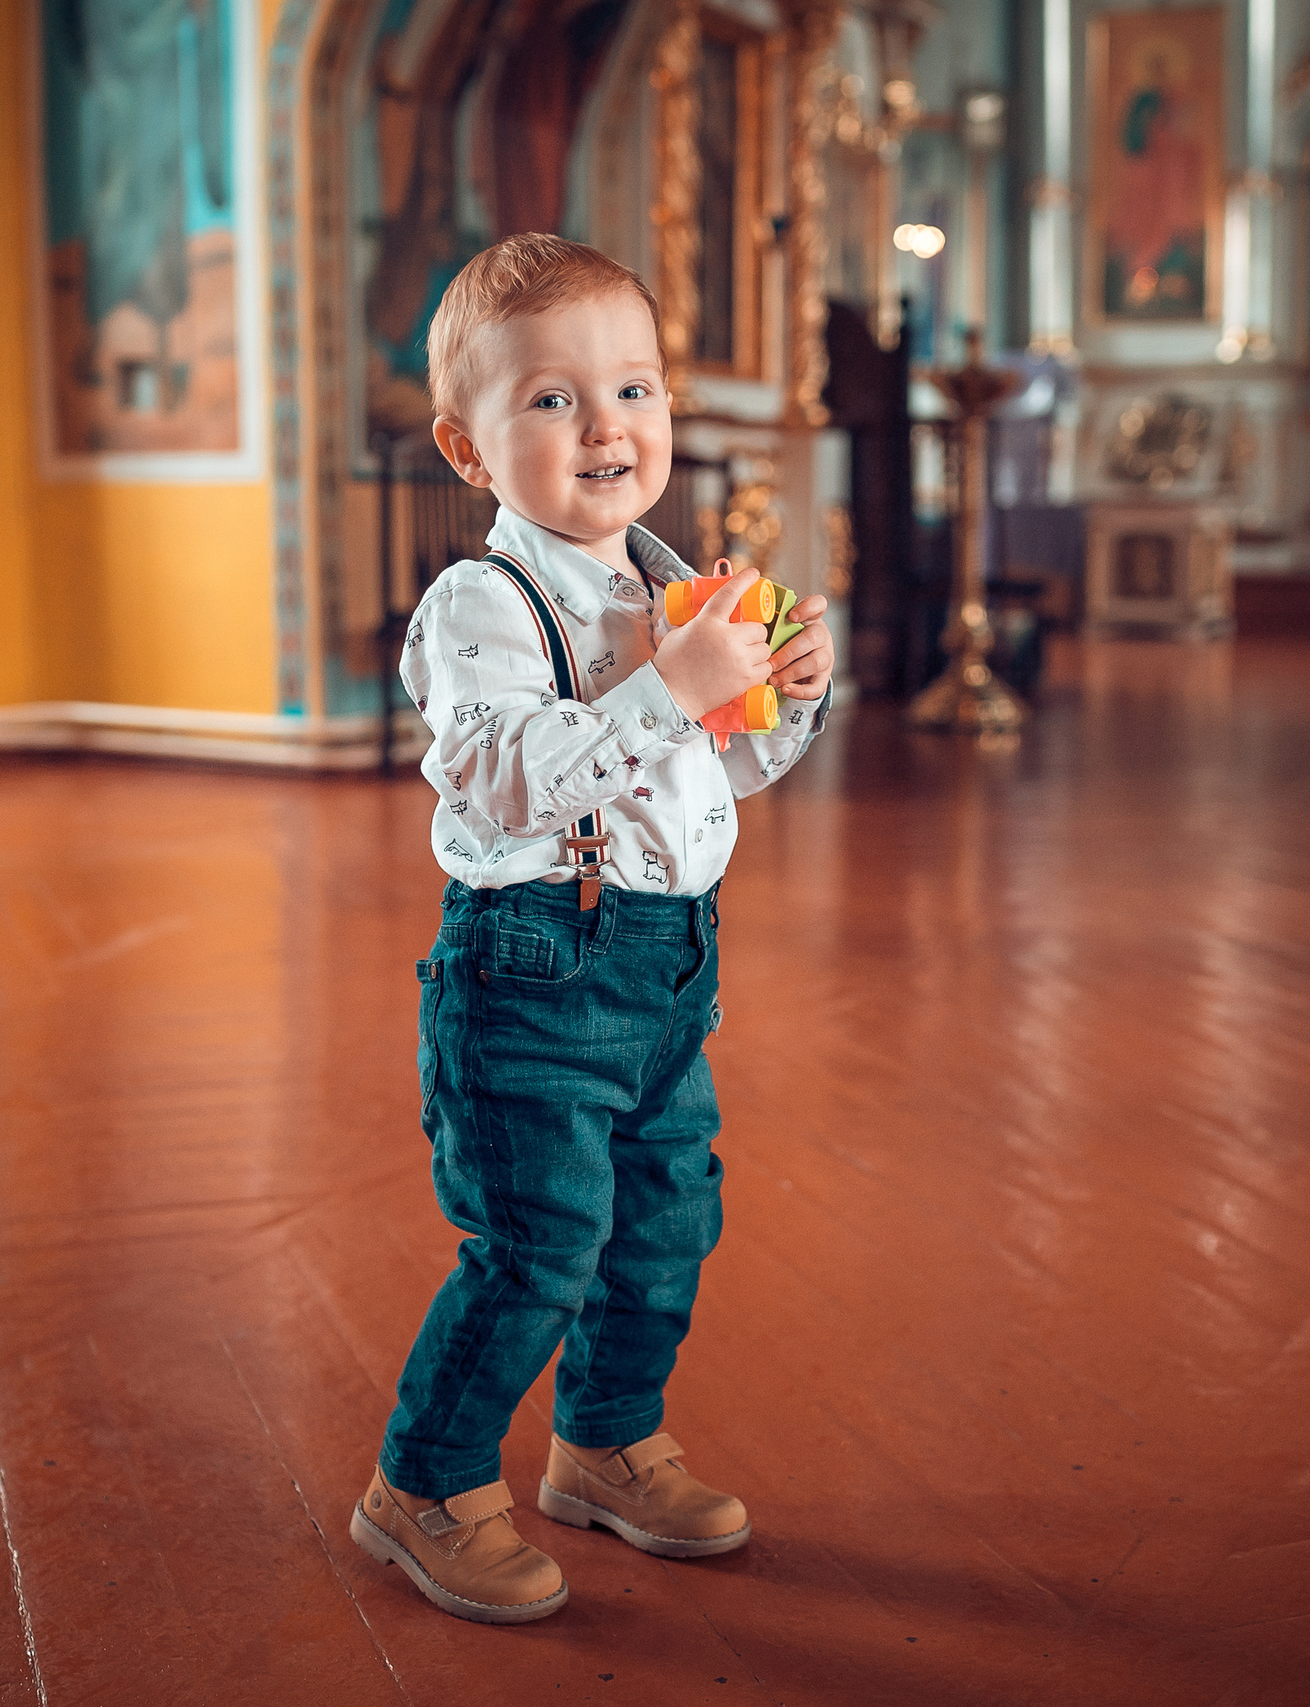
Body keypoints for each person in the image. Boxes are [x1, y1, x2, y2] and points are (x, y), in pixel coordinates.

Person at [348, 234, 835, 1623]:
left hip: (672, 961)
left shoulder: (670, 589)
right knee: (540, 1237)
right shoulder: (478, 605)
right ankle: (426, 1481)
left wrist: (783, 694)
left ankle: (607, 1441)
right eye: (553, 399)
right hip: (532, 969)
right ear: (468, 445)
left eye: (634, 389)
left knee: (665, 1221)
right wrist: (670, 684)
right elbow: (505, 771)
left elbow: (718, 770)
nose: (607, 425)